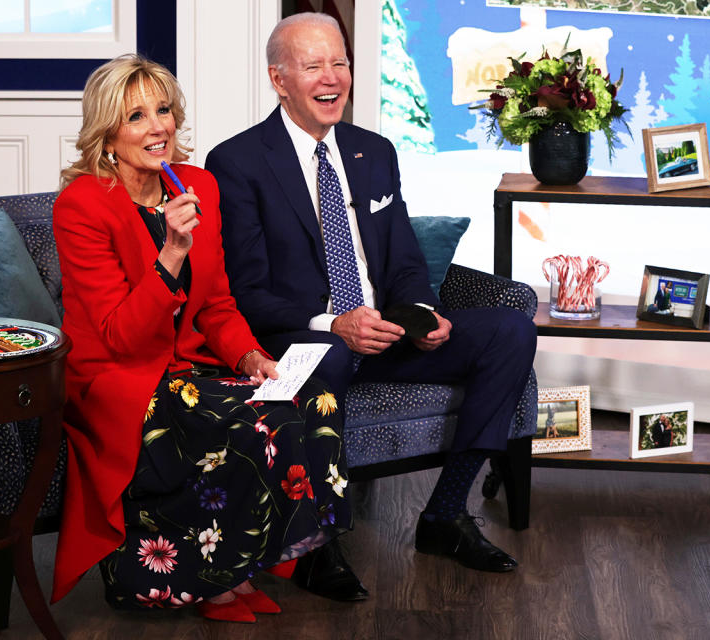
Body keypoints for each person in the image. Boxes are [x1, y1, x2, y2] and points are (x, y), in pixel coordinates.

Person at [206, 12, 537, 576]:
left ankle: (446, 514)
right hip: (304, 344)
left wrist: (420, 315)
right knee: (332, 356)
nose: (331, 77)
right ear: (279, 79)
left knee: (511, 329)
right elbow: (246, 292)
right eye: (313, 66)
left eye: (340, 63)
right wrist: (332, 324)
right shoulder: (235, 163)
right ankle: (313, 544)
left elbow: (405, 260)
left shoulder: (374, 151)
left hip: (384, 335)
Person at [50, 54, 354, 623]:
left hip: (194, 367)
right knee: (259, 420)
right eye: (136, 116)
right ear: (108, 133)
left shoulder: (197, 186)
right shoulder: (83, 205)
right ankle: (206, 582)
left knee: (311, 397)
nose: (158, 126)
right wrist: (171, 252)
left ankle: (244, 565)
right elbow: (118, 335)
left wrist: (252, 356)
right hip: (119, 379)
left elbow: (215, 305)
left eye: (163, 110)